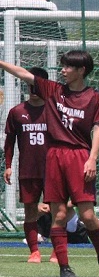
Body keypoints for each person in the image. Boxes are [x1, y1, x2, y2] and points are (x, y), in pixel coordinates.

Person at [0, 51, 99, 277]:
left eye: (68, 67)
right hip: (54, 156)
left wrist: (92, 158)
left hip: (79, 156)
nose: (63, 70)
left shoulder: (93, 97)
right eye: (62, 66)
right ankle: (64, 267)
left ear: (81, 70)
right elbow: (23, 74)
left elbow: (98, 129)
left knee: (88, 215)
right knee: (59, 215)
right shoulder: (53, 90)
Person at [4, 67, 51, 263]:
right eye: (30, 85)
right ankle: (34, 251)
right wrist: (8, 165)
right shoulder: (17, 112)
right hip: (28, 170)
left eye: (36, 85)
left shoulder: (55, 111)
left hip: (53, 170)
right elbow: (9, 141)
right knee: (30, 211)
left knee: (59, 210)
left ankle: (58, 252)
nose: (33, 89)